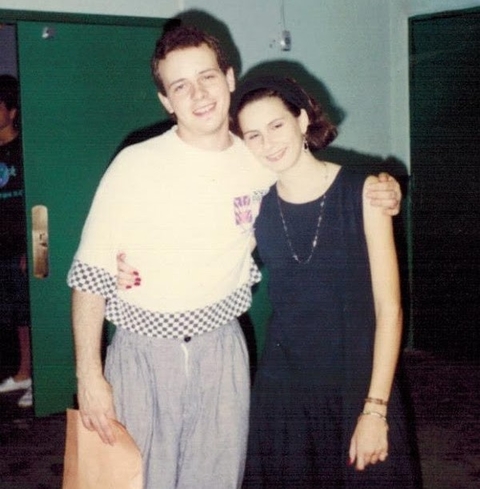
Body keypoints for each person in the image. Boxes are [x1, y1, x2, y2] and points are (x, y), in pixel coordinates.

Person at [68, 24, 402, 489]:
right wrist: (89, 374)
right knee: (134, 480)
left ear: (229, 78)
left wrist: (382, 189)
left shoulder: (257, 156)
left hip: (221, 350)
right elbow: (90, 273)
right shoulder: (136, 164)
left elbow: (314, 183)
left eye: (206, 77)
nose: (198, 95)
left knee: (219, 479)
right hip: (143, 355)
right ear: (166, 101)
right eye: (180, 86)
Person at [229, 76, 420, 487]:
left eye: (277, 125)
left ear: (301, 119)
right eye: (254, 135)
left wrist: (375, 408)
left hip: (356, 380)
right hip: (285, 388)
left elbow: (390, 309)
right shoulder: (255, 207)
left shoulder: (363, 192)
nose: (268, 143)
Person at [0, 74, 32, 409]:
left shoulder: (25, 147)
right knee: (13, 315)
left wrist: (29, 247)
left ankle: (39, 375)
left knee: (30, 314)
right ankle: (23, 373)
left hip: (25, 248)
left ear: (12, 111)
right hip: (2, 248)